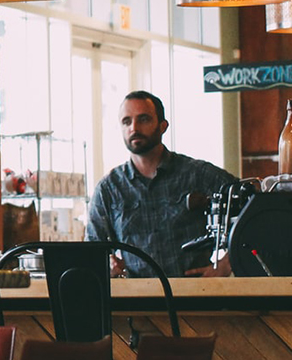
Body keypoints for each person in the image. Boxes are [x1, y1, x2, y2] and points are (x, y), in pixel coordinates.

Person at [85, 90, 237, 277]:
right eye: (126, 122)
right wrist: (106, 265)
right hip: (138, 301)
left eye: (144, 119)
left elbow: (256, 214)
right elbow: (90, 251)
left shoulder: (198, 174)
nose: (134, 128)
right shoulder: (108, 189)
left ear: (163, 126)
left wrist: (227, 264)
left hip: (197, 297)